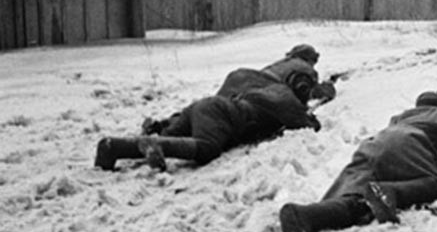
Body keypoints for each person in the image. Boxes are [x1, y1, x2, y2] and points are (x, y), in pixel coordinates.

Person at [278, 90, 437, 232]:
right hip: (408, 142)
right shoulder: (435, 113)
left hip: (372, 145)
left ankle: (305, 215)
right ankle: (391, 191)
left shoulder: (399, 118)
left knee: (356, 202)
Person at [94, 81, 321, 173]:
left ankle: (114, 147)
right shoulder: (286, 99)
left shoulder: (265, 89)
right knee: (207, 147)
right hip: (224, 116)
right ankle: (156, 142)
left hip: (204, 105)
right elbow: (309, 125)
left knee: (174, 134)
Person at [142, 43, 334, 135]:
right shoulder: (305, 67)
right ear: (309, 59)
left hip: (241, 76)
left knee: (214, 107)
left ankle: (164, 125)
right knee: (225, 115)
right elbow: (304, 89)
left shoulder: (281, 62)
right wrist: (327, 88)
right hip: (264, 85)